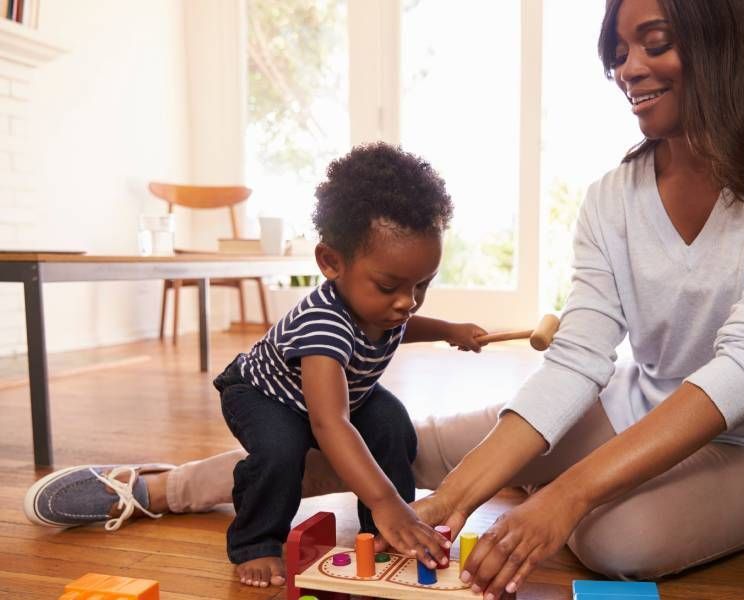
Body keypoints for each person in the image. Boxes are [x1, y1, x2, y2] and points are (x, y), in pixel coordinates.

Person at [25, 0, 744, 596]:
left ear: (728, 32)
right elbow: (580, 357)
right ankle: (160, 488)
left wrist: (566, 495)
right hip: (631, 410)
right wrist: (444, 498)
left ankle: (610, 490)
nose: (628, 67)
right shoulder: (614, 196)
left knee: (612, 540)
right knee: (406, 450)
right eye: (618, 49)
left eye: (654, 41)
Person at [24, 143, 489, 589]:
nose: (407, 303)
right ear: (331, 262)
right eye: (391, 285)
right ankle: (254, 540)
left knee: (393, 426)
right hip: (266, 397)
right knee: (280, 453)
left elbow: (406, 326)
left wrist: (449, 329)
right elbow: (329, 424)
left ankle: (384, 532)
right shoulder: (324, 326)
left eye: (421, 285)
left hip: (339, 397)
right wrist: (384, 497)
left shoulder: (385, 306)